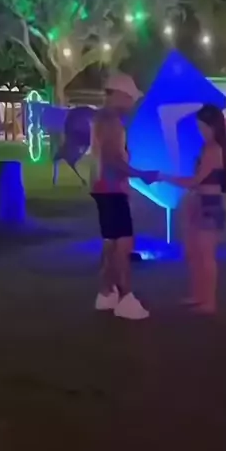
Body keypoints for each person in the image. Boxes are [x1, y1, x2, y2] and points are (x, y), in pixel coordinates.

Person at [90, 72, 157, 320]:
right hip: (112, 188)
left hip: (102, 188)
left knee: (111, 241)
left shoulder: (102, 118)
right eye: (130, 98)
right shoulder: (112, 122)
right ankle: (126, 297)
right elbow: (113, 160)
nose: (131, 104)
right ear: (119, 95)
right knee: (123, 243)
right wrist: (141, 174)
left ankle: (106, 291)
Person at [160, 104, 226, 314]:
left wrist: (163, 177)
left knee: (205, 255)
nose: (201, 132)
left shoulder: (213, 150)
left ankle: (208, 301)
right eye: (200, 127)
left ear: (214, 126)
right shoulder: (208, 148)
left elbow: (194, 181)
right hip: (199, 202)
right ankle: (198, 295)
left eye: (204, 127)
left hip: (209, 205)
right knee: (194, 253)